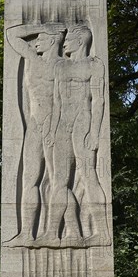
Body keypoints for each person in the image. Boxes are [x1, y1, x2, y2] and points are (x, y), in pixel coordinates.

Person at [36, 25, 111, 247]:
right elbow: (57, 102)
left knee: (88, 174)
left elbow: (98, 101)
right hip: (63, 125)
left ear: (80, 41)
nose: (65, 43)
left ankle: (103, 233)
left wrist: (95, 133)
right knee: (58, 180)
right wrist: (51, 130)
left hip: (83, 122)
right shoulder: (61, 67)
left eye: (68, 39)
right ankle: (52, 233)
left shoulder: (94, 65)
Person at [4, 23, 66, 246]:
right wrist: (41, 26)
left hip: (55, 128)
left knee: (58, 183)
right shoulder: (33, 59)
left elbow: (63, 101)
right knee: (30, 180)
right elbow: (12, 34)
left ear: (52, 41)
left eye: (41, 37)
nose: (36, 40)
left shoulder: (64, 67)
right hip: (34, 128)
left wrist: (53, 127)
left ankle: (54, 234)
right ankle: (26, 234)